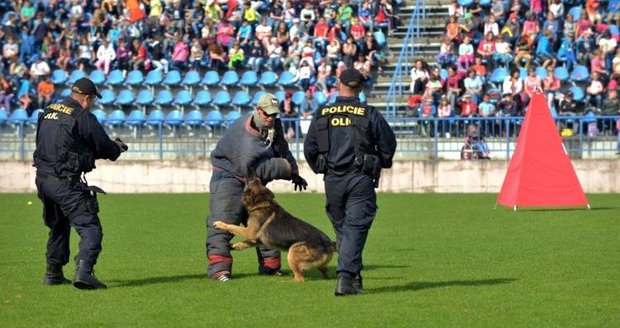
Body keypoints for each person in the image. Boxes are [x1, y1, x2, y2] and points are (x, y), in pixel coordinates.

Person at [303, 68, 397, 296]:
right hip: (359, 179)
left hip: (333, 180)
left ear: (338, 84)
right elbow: (388, 145)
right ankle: (345, 278)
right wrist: (380, 162)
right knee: (355, 228)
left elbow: (309, 149)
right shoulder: (368, 113)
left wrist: (322, 168)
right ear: (361, 87)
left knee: (345, 231)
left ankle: (354, 276)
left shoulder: (323, 113)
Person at [33, 78, 128, 289]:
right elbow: (105, 148)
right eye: (93, 99)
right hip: (65, 181)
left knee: (59, 225)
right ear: (87, 98)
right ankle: (84, 272)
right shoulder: (82, 116)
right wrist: (117, 147)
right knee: (90, 227)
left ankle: (53, 273)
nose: (92, 103)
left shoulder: (48, 111)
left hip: (43, 179)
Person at [206, 93, 308, 282]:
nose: (271, 118)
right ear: (258, 111)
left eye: (274, 115)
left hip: (252, 183)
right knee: (223, 219)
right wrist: (285, 167)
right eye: (266, 114)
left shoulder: (273, 125)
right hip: (229, 177)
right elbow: (252, 169)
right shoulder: (245, 136)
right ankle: (219, 270)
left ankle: (271, 267)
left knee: (267, 222)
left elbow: (282, 148)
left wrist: (295, 172)